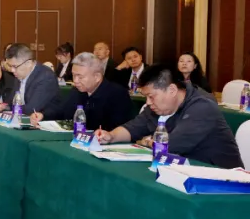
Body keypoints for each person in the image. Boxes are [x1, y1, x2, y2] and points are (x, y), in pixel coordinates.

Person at [97, 65, 241, 168]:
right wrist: (111, 136)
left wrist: (148, 142)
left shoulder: (202, 106)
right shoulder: (158, 107)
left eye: (151, 96)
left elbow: (171, 145)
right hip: (183, 172)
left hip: (222, 180)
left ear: (172, 90)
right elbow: (133, 127)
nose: (148, 102)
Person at [31, 52, 133, 131]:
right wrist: (43, 115)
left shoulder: (117, 94)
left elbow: (117, 129)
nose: (75, 81)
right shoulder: (77, 91)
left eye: (80, 77)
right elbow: (61, 111)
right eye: (73, 75)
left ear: (97, 77)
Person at [3, 42, 59, 114]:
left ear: (28, 63)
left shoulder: (46, 76)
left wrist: (11, 108)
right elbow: (12, 101)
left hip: (44, 119)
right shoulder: (19, 73)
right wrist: (4, 106)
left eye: (14, 66)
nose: (12, 70)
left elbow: (32, 109)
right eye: (10, 66)